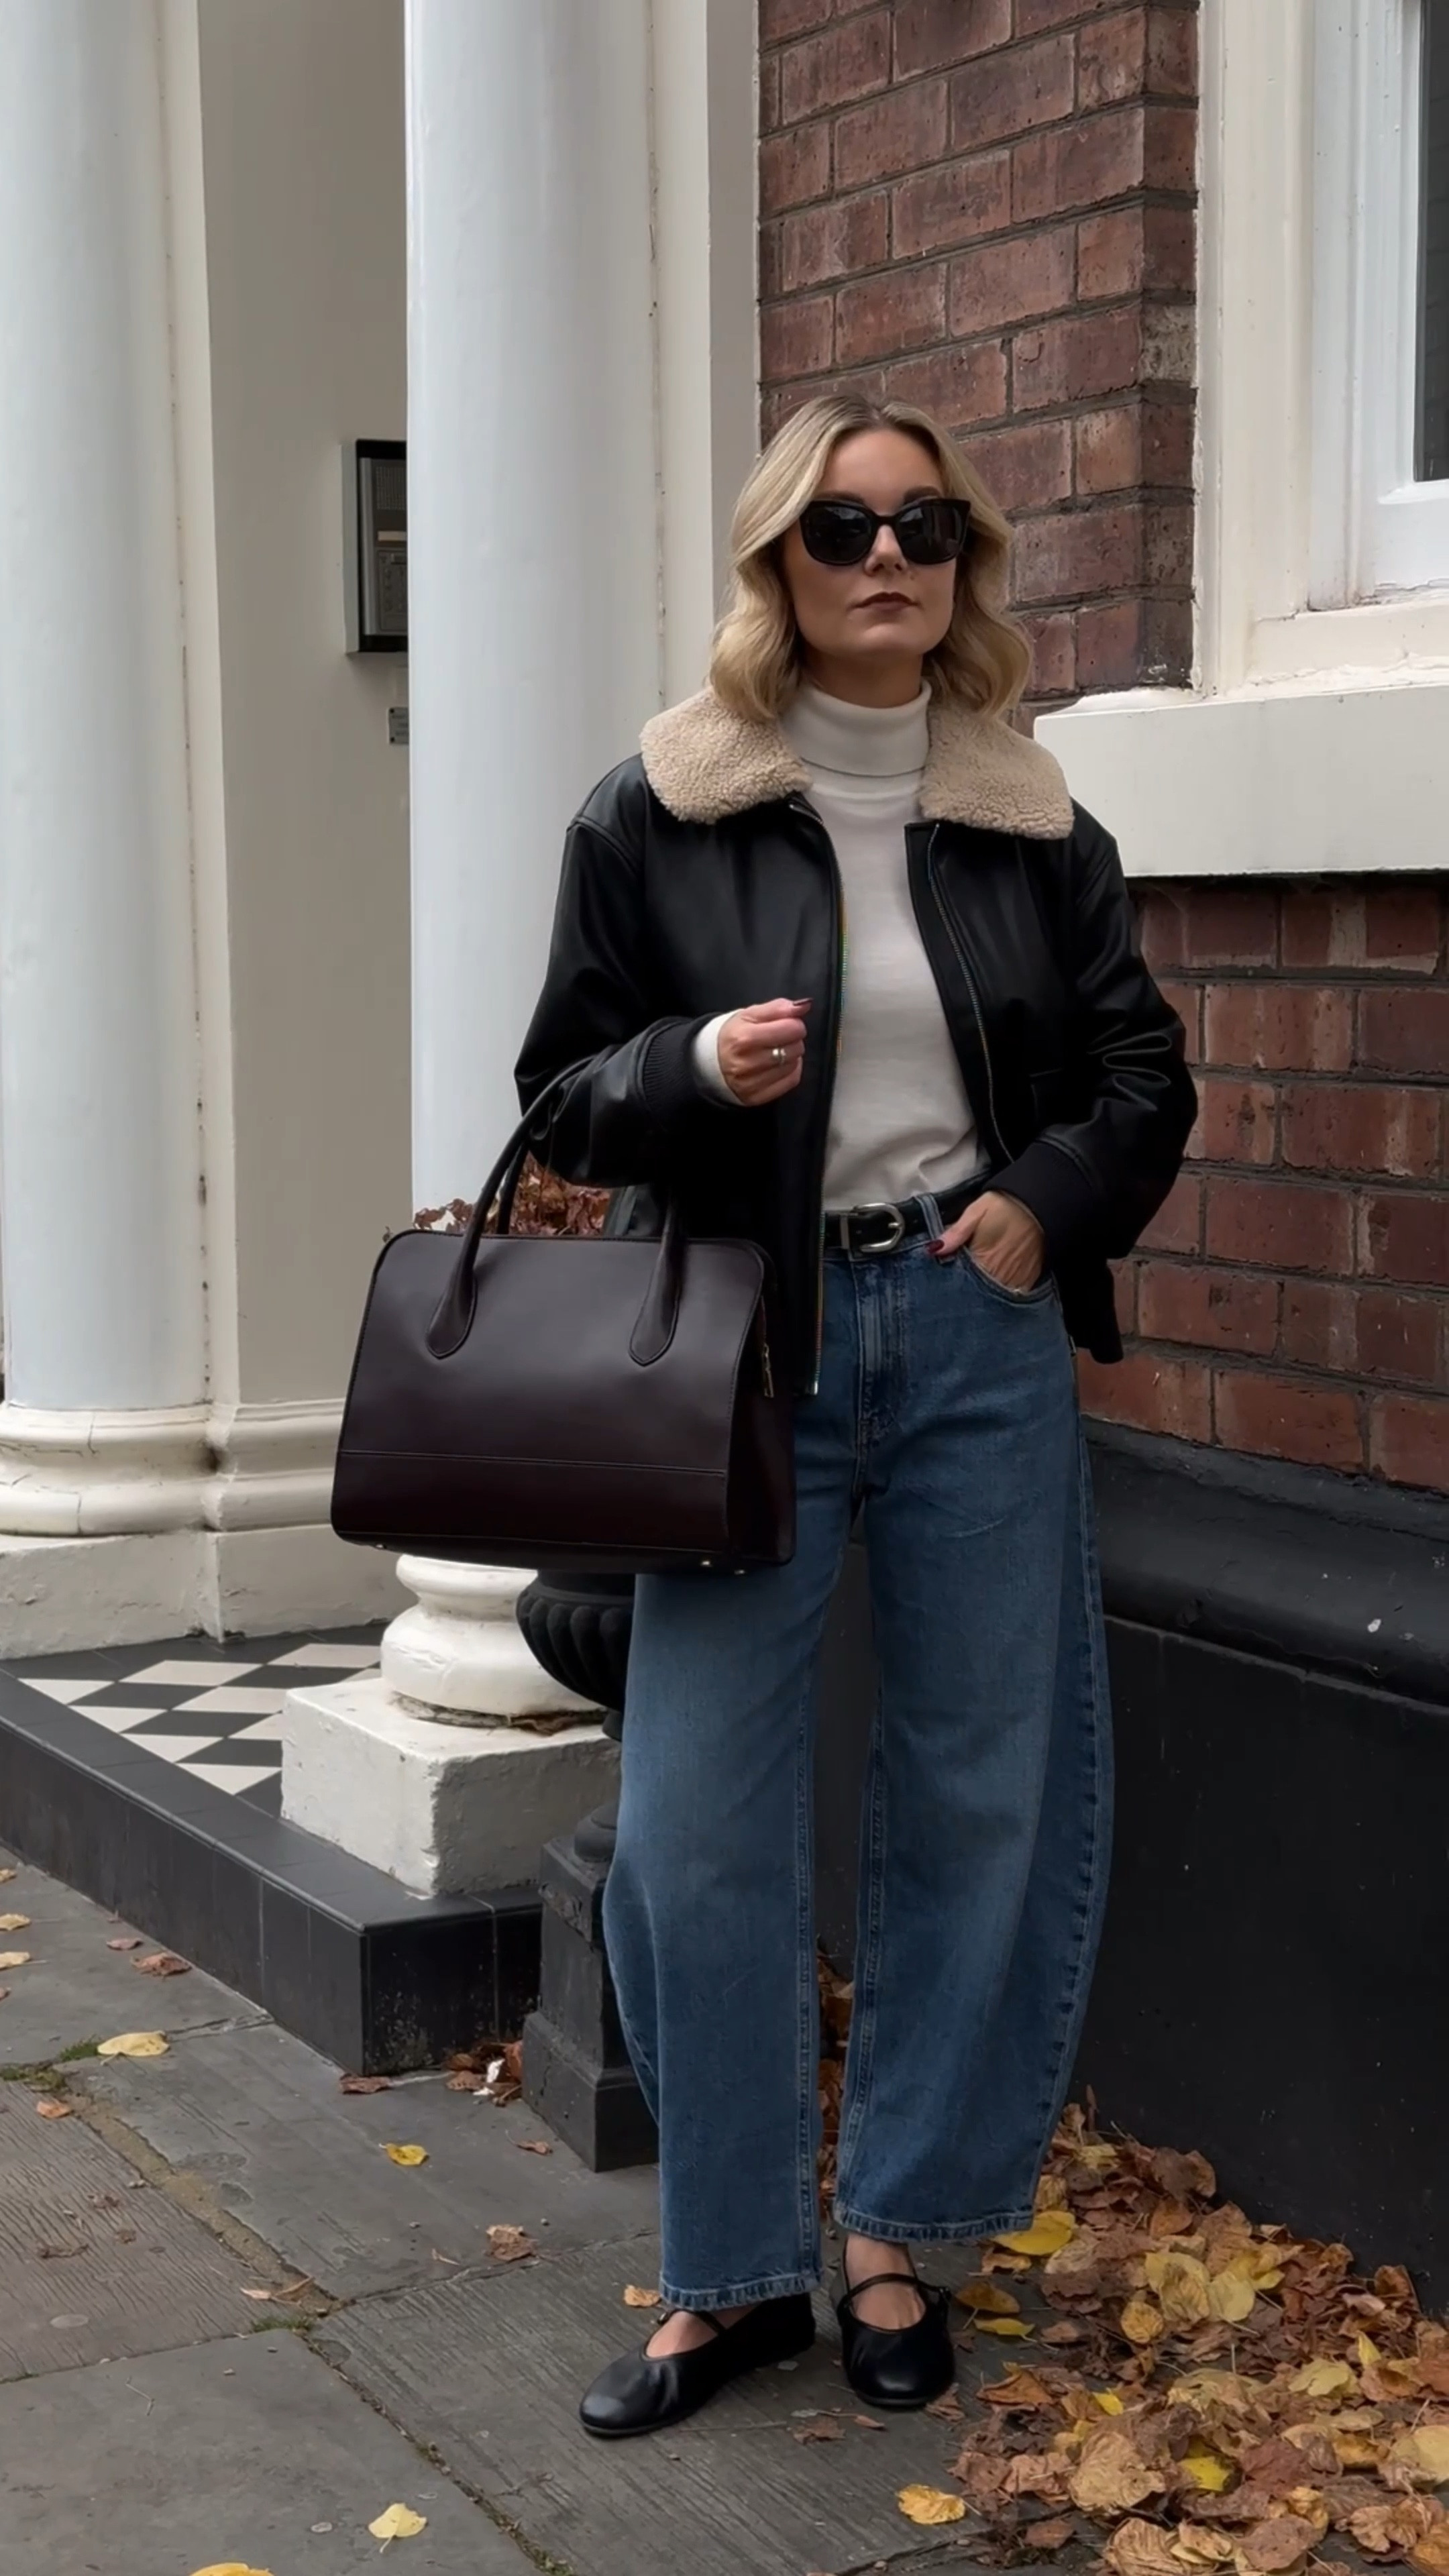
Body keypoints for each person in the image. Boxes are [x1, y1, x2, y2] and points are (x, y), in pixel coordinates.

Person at [515, 392, 1197, 2438]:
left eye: (925, 526)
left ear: (968, 562)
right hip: (754, 1353)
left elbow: (1135, 1078)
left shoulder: (1033, 821)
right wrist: (686, 1071)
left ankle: (902, 2228)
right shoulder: (662, 807)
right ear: (776, 564)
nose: (886, 557)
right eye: (839, 527)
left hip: (975, 1337)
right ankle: (725, 2273)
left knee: (981, 1792)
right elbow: (559, 1090)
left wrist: (1041, 1209)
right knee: (696, 1830)